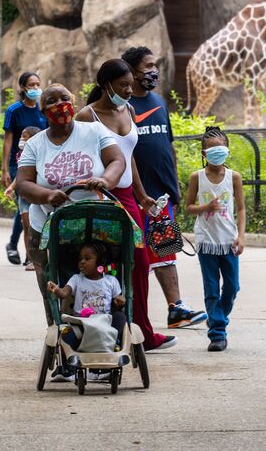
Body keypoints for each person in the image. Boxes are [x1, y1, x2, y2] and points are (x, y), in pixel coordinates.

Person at [76, 60, 175, 352]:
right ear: (107, 84)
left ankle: (143, 333)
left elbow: (128, 155)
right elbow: (82, 157)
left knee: (140, 263)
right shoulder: (87, 115)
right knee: (106, 263)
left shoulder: (129, 109)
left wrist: (142, 194)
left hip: (129, 195)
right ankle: (103, 330)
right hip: (101, 196)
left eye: (131, 83)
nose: (129, 90)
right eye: (123, 85)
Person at [16, 84, 125, 334]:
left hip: (96, 223)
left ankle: (108, 329)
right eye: (51, 101)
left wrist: (106, 180)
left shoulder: (94, 131)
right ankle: (61, 335)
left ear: (73, 103)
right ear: (43, 111)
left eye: (64, 98)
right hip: (49, 226)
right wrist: (47, 194)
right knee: (54, 286)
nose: (59, 104)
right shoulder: (36, 144)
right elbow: (23, 183)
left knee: (106, 277)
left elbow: (117, 160)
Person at [121, 46, 207, 329]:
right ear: (131, 72)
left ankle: (176, 309)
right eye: (147, 66)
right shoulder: (123, 107)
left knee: (166, 251)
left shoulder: (158, 102)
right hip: (135, 197)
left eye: (154, 65)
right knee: (137, 257)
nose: (153, 71)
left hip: (161, 195)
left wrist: (175, 185)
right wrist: (137, 191)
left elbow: (168, 146)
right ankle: (132, 315)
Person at [184, 126, 245, 352]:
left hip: (228, 242)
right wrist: (205, 207)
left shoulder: (234, 177)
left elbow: (241, 209)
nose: (217, 153)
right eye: (212, 150)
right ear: (203, 154)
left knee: (232, 287)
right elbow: (189, 207)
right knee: (211, 288)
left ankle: (218, 315)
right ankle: (217, 333)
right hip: (206, 242)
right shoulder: (196, 178)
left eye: (221, 149)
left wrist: (241, 236)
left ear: (227, 151)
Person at [45, 241, 128, 350]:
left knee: (120, 317)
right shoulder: (77, 279)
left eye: (87, 258)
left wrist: (120, 301)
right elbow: (64, 293)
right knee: (65, 333)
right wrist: (56, 289)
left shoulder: (111, 281)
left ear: (100, 263)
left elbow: (118, 303)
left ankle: (115, 341)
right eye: (80, 259)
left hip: (105, 324)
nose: (82, 262)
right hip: (81, 323)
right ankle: (76, 353)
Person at [2, 71, 47, 268]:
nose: (36, 88)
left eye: (38, 84)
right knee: (25, 203)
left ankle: (14, 244)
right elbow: (8, 140)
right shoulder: (14, 110)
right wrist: (4, 168)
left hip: (42, 162)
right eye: (31, 85)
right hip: (19, 162)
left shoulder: (43, 110)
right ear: (23, 88)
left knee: (28, 205)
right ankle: (21, 249)